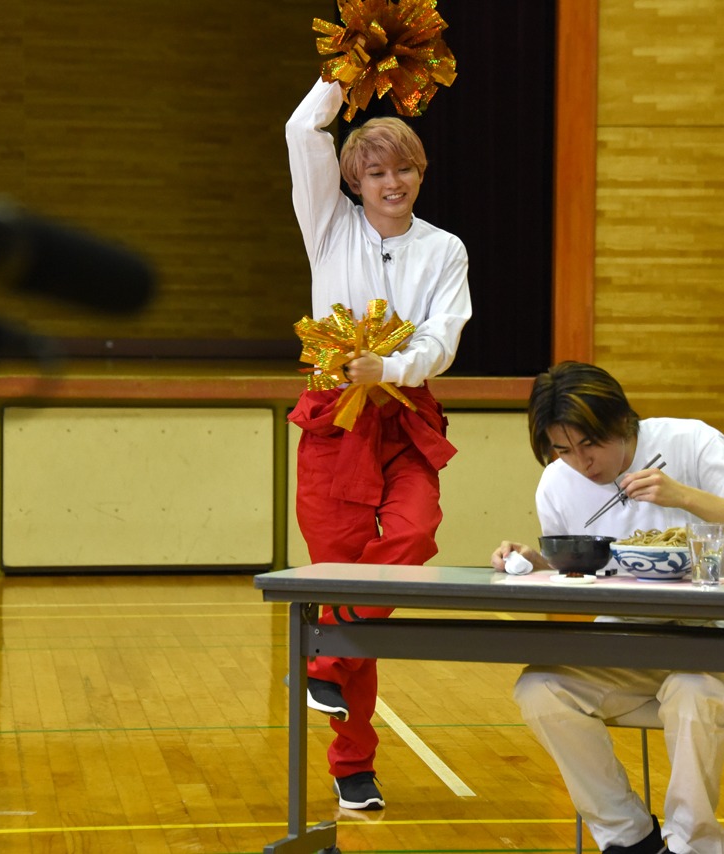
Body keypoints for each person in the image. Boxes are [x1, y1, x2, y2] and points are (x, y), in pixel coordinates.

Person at [491, 362, 724, 854]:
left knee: (691, 688)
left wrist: (684, 496)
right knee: (540, 687)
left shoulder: (689, 441)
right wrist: (537, 562)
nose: (581, 463)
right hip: (635, 640)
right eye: (563, 450)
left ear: (621, 421)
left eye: (590, 445)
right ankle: (629, 837)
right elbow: (582, 574)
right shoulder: (557, 483)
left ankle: (692, 846)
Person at [284, 77, 472, 812]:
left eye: (405, 169)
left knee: (415, 535)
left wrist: (388, 369)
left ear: (421, 173)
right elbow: (303, 131)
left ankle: (325, 652)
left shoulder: (445, 249)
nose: (392, 183)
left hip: (406, 412)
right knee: (345, 583)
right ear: (353, 182)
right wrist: (346, 73)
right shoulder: (326, 225)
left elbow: (442, 339)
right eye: (376, 172)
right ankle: (352, 765)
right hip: (335, 420)